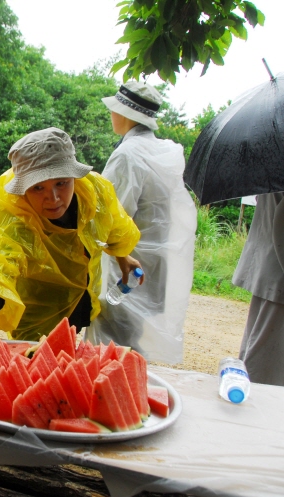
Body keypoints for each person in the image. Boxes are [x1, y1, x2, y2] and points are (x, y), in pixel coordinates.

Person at [0, 127, 142, 351]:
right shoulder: (9, 213)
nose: (53, 198)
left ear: (73, 176)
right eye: (37, 187)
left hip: (81, 292)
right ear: (23, 188)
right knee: (34, 362)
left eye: (61, 183)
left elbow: (114, 225)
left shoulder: (95, 190)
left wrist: (123, 258)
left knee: (69, 349)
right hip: (36, 306)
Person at [86, 82, 197, 364]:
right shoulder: (167, 151)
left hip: (125, 266)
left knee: (108, 348)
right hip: (155, 267)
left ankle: (110, 402)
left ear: (124, 114)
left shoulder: (128, 154)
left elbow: (110, 216)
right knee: (134, 343)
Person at [232, 192, 284, 387]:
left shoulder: (274, 168)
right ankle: (255, 412)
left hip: (266, 266)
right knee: (269, 363)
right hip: (283, 277)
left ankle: (244, 399)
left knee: (254, 346)